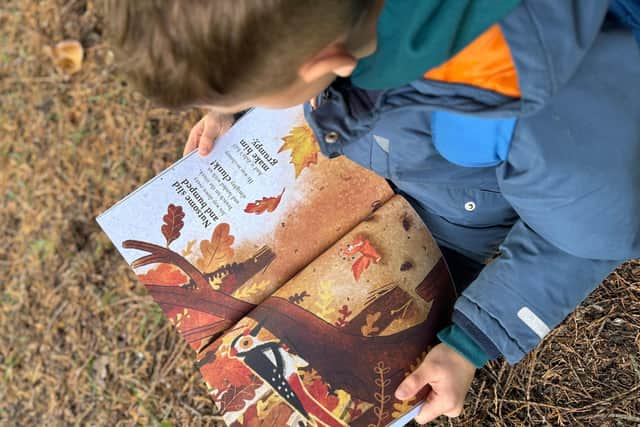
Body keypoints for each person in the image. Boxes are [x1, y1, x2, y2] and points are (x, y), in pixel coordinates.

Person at [108, 0, 640, 423]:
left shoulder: (517, 103)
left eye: (264, 92)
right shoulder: (334, 21)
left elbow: (583, 235)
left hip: (452, 218)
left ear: (328, 63)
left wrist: (474, 342)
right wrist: (237, 97)